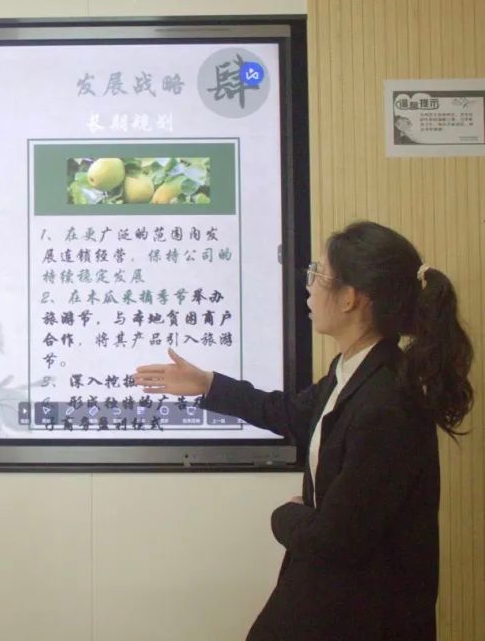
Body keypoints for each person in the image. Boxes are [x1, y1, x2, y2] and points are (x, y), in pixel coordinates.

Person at [135, 221, 474, 641]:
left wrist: (286, 515)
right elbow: (293, 413)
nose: (309, 286)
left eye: (318, 273)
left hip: (364, 614)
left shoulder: (387, 405)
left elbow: (337, 539)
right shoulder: (354, 370)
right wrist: (207, 384)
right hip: (333, 599)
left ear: (351, 298)